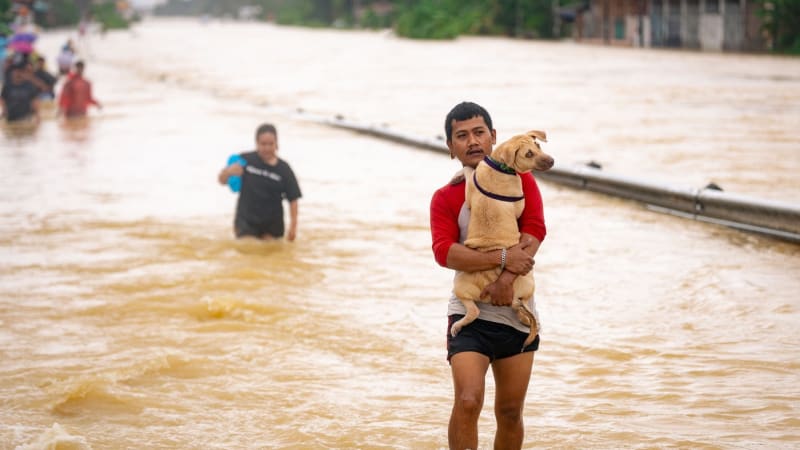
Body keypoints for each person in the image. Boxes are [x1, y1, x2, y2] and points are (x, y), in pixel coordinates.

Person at [429, 101, 546, 450]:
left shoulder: (522, 182)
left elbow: (535, 231)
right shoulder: (445, 197)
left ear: (494, 137)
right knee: (468, 400)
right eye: (461, 136)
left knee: (510, 411)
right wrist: (505, 257)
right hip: (470, 313)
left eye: (479, 132)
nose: (472, 141)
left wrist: (505, 280)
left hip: (517, 309)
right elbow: (445, 252)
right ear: (451, 148)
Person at [217, 123, 302, 241]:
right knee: (248, 251)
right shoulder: (245, 160)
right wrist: (228, 172)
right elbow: (221, 181)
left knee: (270, 255)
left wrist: (293, 227)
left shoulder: (284, 169)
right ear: (256, 143)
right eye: (263, 144)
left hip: (272, 225)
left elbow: (293, 199)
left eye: (270, 144)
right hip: (246, 221)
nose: (267, 148)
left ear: (277, 144)